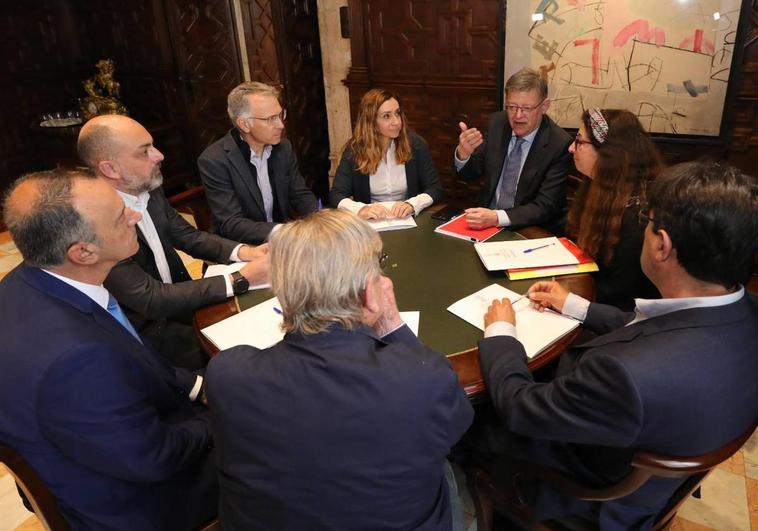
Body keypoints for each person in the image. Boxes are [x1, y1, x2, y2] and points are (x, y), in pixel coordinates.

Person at [477, 160, 758, 529]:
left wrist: (501, 333)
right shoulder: (745, 308)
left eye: (648, 220)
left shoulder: (624, 375)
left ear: (662, 245)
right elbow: (656, 327)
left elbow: (520, 409)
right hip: (653, 456)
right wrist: (575, 305)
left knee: (467, 418)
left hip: (582, 494)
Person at [206, 209, 473, 530]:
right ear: (368, 295)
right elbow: (457, 425)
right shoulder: (423, 378)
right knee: (448, 472)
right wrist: (392, 324)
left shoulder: (227, 375)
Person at [0, 169, 217, 531]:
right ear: (83, 251)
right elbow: (156, 459)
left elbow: (135, 358)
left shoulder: (29, 279)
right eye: (121, 216)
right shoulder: (77, 361)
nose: (135, 215)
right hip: (136, 504)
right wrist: (226, 411)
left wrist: (199, 385)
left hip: (105, 448)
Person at [77, 115, 270, 369]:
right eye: (144, 151)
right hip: (151, 333)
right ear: (110, 169)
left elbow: (187, 235)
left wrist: (246, 252)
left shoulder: (148, 187)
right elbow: (150, 298)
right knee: (246, 362)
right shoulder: (92, 219)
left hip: (183, 303)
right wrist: (240, 278)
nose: (159, 155)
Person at [198, 81, 318, 243]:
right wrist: (289, 231)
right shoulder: (214, 160)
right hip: (243, 247)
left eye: (281, 115)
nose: (281, 125)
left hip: (283, 240)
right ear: (244, 124)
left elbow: (300, 194)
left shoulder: (284, 147)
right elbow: (232, 224)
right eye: (271, 119)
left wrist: (321, 220)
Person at [567, 108, 663, 310]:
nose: (570, 148)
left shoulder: (639, 216)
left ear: (608, 153)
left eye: (579, 142)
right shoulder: (602, 187)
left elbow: (621, 291)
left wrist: (564, 297)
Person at [455, 67, 572, 232]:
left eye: (526, 108)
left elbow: (545, 206)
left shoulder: (559, 144)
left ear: (544, 107)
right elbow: (471, 174)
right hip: (485, 225)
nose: (517, 116)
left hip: (529, 229)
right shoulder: (497, 123)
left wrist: (497, 218)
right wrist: (464, 155)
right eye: (511, 107)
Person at [329, 88, 443, 219]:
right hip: (373, 223)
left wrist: (412, 204)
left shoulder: (416, 145)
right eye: (386, 116)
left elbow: (435, 188)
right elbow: (337, 194)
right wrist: (361, 209)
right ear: (371, 122)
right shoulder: (355, 150)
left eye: (397, 113)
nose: (396, 122)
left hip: (407, 220)